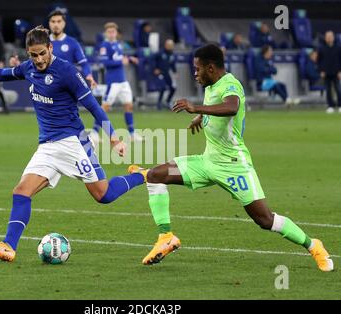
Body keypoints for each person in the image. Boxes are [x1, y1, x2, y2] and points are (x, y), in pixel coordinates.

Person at [128, 44, 334, 272]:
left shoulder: (231, 84)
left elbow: (232, 107)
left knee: (265, 220)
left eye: (197, 69)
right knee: (156, 176)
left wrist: (197, 108)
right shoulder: (212, 83)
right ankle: (166, 237)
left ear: (211, 68)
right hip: (207, 164)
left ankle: (314, 245)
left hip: (234, 167)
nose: (194, 73)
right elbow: (220, 110)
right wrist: (202, 119)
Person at [0, 26, 146, 262]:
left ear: (50, 48)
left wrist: (114, 138)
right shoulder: (28, 68)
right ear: (28, 53)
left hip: (74, 142)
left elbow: (94, 107)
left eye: (43, 53)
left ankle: (142, 175)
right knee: (21, 192)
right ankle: (8, 246)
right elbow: (0, 74)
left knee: (104, 195)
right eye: (34, 55)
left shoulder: (67, 71)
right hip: (47, 146)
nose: (39, 59)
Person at [90, 22, 143, 144]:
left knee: (129, 105)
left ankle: (132, 133)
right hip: (112, 82)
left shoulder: (117, 44)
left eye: (113, 31)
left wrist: (130, 59)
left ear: (116, 33)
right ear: (106, 33)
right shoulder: (104, 45)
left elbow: (120, 58)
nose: (111, 33)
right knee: (105, 108)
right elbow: (105, 63)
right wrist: (122, 62)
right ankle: (94, 133)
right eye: (109, 31)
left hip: (123, 81)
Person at [318, 30, 341, 114]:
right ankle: (330, 106)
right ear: (325, 38)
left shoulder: (338, 47)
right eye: (327, 37)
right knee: (328, 90)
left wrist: (340, 71)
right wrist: (321, 71)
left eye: (330, 37)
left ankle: (339, 105)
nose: (329, 38)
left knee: (338, 89)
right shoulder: (321, 48)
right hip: (326, 72)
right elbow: (319, 61)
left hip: (336, 72)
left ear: (333, 38)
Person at [153, 39, 177, 110]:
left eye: (172, 45)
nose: (171, 47)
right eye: (169, 45)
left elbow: (172, 64)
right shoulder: (160, 53)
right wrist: (155, 68)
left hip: (167, 73)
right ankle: (159, 103)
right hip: (160, 73)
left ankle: (168, 101)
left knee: (173, 88)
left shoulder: (172, 54)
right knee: (162, 87)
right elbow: (153, 60)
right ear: (166, 45)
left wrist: (175, 72)